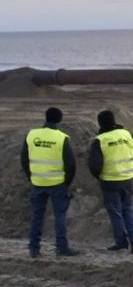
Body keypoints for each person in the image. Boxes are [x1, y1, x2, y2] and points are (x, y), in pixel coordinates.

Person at [20, 106, 78, 258]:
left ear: (45, 117)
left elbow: (24, 159)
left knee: (37, 216)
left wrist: (31, 176)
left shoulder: (31, 135)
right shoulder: (62, 138)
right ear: (60, 119)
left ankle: (34, 248)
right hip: (57, 183)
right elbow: (70, 164)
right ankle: (62, 248)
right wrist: (67, 183)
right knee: (60, 216)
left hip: (38, 182)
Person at [88, 109, 133, 253]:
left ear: (100, 123)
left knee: (115, 213)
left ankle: (121, 242)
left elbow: (95, 166)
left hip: (110, 181)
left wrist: (100, 177)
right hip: (127, 179)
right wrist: (129, 168)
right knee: (127, 209)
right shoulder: (127, 134)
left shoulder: (100, 141)